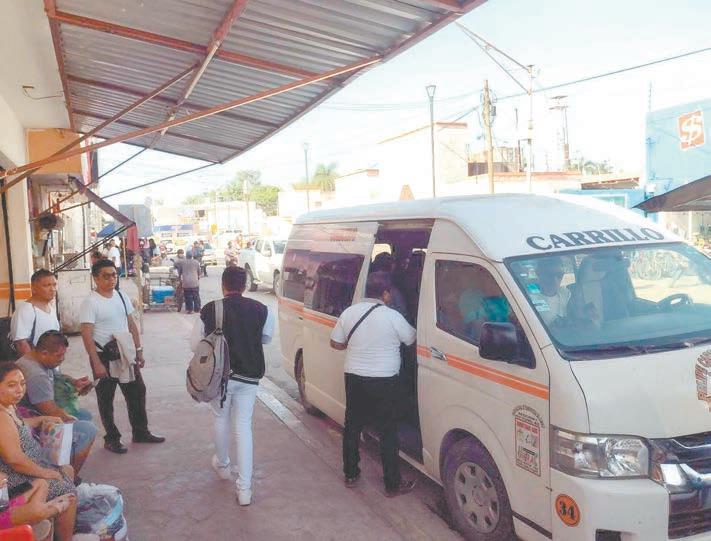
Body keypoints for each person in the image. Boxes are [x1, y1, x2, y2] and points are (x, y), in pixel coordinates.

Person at [330, 271, 417, 497]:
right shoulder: (393, 317)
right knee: (388, 430)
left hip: (354, 377)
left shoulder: (349, 313)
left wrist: (356, 346)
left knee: (352, 426)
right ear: (386, 294)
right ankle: (392, 484)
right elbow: (411, 339)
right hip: (385, 380)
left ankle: (351, 473)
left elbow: (335, 343)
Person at [196, 266, 274, 506]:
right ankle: (245, 490)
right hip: (249, 377)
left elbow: (196, 344)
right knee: (244, 427)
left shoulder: (210, 309)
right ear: (245, 285)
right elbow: (266, 338)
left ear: (223, 285)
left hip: (220, 377)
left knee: (221, 419)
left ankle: (223, 466)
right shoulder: (262, 309)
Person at [79, 259, 165, 454]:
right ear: (95, 278)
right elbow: (86, 334)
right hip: (103, 356)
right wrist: (96, 362)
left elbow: (131, 324)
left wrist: (138, 350)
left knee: (137, 391)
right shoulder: (90, 302)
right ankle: (111, 438)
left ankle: (140, 432)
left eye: (114, 275)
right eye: (106, 276)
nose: (111, 279)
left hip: (125, 353)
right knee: (106, 398)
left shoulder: (121, 295)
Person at [0, 362, 77, 541]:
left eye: (22, 383)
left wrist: (42, 419)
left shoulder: (8, 406)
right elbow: (14, 459)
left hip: (27, 469)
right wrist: (45, 472)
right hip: (14, 478)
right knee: (66, 490)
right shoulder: (1, 417)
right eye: (11, 385)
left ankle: (60, 527)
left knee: (67, 471)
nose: (19, 390)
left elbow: (18, 425)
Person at [16, 331, 97, 474]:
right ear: (44, 353)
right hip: (32, 425)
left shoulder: (35, 358)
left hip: (37, 414)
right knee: (88, 430)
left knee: (84, 415)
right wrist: (69, 418)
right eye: (59, 356)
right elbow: (50, 411)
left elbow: (56, 375)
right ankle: (68, 477)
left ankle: (66, 465)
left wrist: (74, 382)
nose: (62, 359)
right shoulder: (36, 375)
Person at [0, 473, 71, 541]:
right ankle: (48, 511)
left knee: (41, 483)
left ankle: (33, 517)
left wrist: (3, 483)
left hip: (5, 501)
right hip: (2, 515)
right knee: (37, 511)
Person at [10, 270, 60, 357]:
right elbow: (21, 344)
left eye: (54, 285)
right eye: (46, 285)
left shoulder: (50, 308)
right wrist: (34, 365)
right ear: (33, 288)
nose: (52, 289)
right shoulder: (26, 310)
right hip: (36, 363)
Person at [534, 258, 571, 325]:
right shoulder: (527, 297)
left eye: (559, 275)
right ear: (538, 273)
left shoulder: (566, 294)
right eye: (549, 275)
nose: (555, 280)